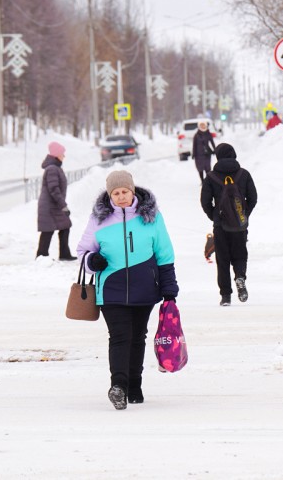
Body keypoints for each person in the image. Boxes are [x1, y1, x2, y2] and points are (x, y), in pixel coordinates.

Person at [77, 170, 179, 410]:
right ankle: (119, 387)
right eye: (116, 193)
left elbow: (165, 255)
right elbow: (82, 252)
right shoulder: (99, 218)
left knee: (138, 338)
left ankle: (135, 386)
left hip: (144, 289)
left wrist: (169, 291)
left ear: (132, 191)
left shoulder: (151, 217)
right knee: (120, 336)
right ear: (110, 195)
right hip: (110, 290)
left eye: (125, 191)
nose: (121, 196)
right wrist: (92, 261)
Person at [200, 143, 258, 306]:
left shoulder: (211, 177)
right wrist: (243, 215)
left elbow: (205, 201)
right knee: (240, 255)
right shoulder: (244, 174)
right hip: (240, 225)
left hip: (221, 226)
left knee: (223, 260)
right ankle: (240, 277)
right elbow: (253, 198)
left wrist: (214, 216)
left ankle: (226, 296)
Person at [36, 141, 76, 260]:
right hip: (50, 207)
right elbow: (54, 189)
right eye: (62, 153)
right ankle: (42, 256)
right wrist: (63, 205)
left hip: (53, 206)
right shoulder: (52, 169)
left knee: (64, 226)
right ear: (57, 154)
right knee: (48, 230)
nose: (64, 156)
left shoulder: (55, 167)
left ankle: (63, 254)